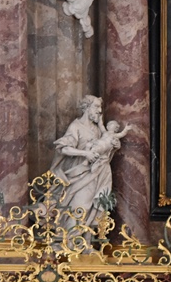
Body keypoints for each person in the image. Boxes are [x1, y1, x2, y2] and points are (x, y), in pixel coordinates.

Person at [50, 95, 123, 228]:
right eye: (96, 107)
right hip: (79, 176)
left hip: (97, 174)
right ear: (86, 108)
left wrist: (113, 147)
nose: (99, 111)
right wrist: (86, 153)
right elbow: (63, 148)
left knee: (92, 209)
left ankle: (86, 245)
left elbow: (102, 150)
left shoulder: (97, 129)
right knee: (80, 206)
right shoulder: (76, 126)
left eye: (100, 107)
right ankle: (71, 244)